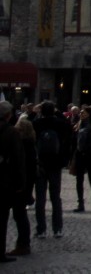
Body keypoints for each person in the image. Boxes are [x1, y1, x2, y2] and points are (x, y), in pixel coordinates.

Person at [33, 100, 73, 239]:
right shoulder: (60, 123)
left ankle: (41, 229)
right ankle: (57, 228)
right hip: (56, 164)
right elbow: (68, 133)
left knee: (40, 198)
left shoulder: (37, 123)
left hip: (41, 164)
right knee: (55, 197)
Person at [1, 101, 35, 260]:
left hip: (6, 181)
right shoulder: (11, 133)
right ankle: (22, 244)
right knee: (18, 215)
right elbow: (18, 161)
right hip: (10, 182)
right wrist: (22, 184)